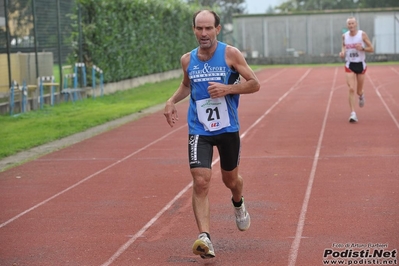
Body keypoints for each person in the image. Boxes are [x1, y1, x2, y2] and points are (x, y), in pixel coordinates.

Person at [163, 10, 260, 259]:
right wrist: (172, 100)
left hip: (227, 129)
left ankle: (238, 202)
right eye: (199, 28)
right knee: (201, 180)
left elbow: (254, 83)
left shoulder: (230, 53)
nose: (203, 33)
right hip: (199, 128)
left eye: (208, 28)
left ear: (218, 29)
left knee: (231, 180)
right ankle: (205, 237)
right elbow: (187, 84)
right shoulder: (188, 59)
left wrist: (227, 88)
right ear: (194, 30)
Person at [339, 16, 374, 123]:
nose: (351, 25)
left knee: (358, 91)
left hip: (360, 64)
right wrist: (343, 52)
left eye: (352, 23)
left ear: (356, 24)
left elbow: (371, 49)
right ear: (347, 25)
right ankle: (353, 113)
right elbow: (343, 46)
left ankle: (361, 95)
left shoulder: (362, 34)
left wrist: (362, 48)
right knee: (351, 89)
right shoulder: (344, 36)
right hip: (349, 64)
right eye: (349, 24)